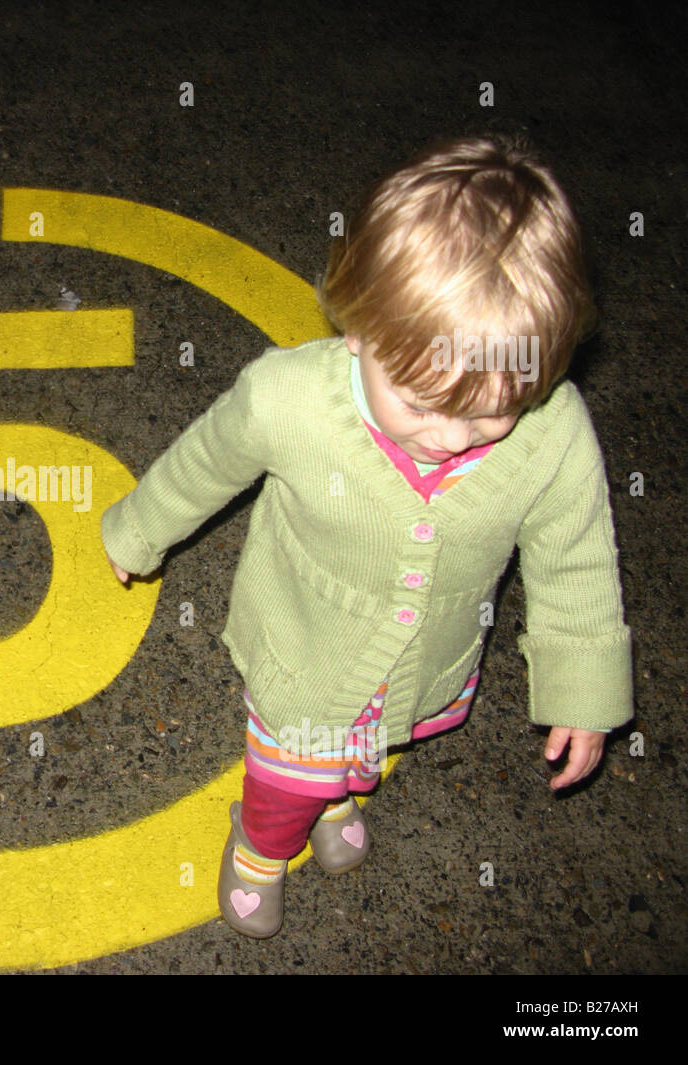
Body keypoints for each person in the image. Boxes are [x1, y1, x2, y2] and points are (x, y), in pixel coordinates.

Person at [100, 134, 633, 938]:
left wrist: (585, 692)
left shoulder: (553, 432)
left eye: (492, 411)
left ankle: (338, 791)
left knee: (370, 742)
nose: (452, 438)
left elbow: (577, 557)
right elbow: (204, 463)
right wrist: (138, 532)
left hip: (425, 662)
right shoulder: (289, 398)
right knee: (285, 776)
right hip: (305, 648)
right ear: (358, 329)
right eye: (421, 403)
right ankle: (263, 842)